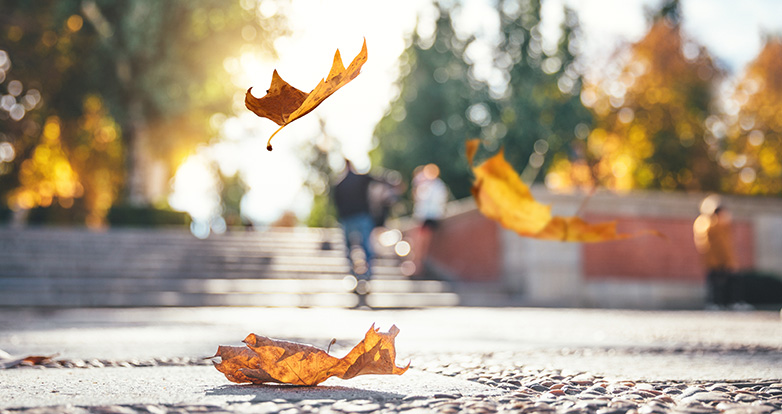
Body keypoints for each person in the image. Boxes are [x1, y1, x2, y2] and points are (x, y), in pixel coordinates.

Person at [332, 159, 375, 280]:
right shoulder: (361, 178)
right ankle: (369, 271)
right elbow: (377, 178)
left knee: (349, 247)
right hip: (362, 215)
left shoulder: (339, 184)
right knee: (366, 245)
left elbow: (335, 203)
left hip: (347, 218)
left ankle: (351, 272)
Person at [693, 203, 740, 308]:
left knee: (722, 284)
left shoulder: (721, 227)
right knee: (716, 284)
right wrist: (729, 261)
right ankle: (715, 303)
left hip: (720, 261)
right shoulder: (712, 226)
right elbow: (721, 247)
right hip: (716, 261)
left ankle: (723, 303)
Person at [411, 163, 449, 277]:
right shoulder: (428, 185)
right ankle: (417, 264)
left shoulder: (437, 186)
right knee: (420, 240)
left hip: (430, 216)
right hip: (425, 217)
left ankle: (418, 265)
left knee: (422, 241)